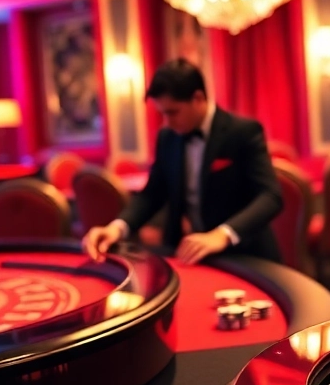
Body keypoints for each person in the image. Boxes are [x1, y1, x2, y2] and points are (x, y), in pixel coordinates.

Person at [82, 59, 283, 265]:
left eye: (172, 112)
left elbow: (270, 197)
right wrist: (117, 228)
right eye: (162, 113)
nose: (166, 122)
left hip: (246, 254)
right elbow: (152, 194)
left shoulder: (243, 131)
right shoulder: (167, 137)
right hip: (190, 256)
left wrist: (222, 234)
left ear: (198, 98)